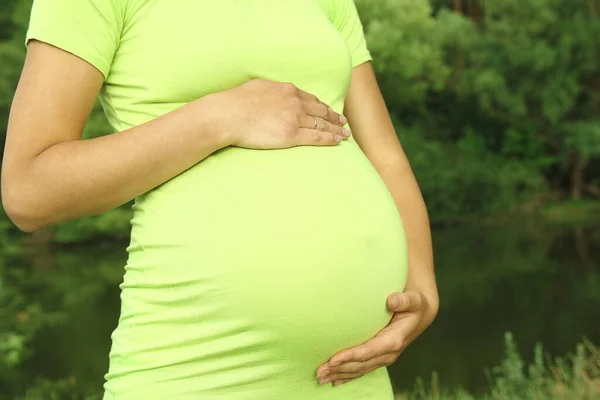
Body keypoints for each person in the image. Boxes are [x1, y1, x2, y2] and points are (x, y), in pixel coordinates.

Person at [1, 0, 439, 398]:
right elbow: (29, 190)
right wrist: (220, 117)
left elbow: (386, 156)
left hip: (355, 378)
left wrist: (422, 287)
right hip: (201, 370)